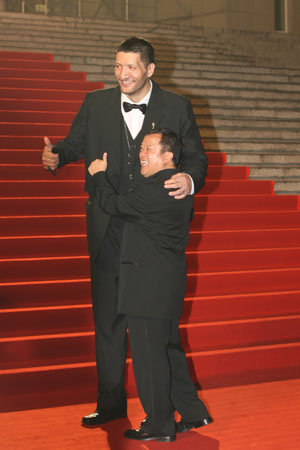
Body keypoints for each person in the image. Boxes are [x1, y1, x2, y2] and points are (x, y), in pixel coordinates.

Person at [41, 36, 208, 427]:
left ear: (149, 69)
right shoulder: (95, 103)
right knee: (108, 320)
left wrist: (188, 177)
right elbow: (74, 144)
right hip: (107, 228)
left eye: (131, 67)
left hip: (151, 233)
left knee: (159, 329)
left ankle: (180, 408)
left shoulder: (177, 106)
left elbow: (198, 157)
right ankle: (111, 403)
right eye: (117, 66)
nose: (122, 74)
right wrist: (57, 156)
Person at [88, 129, 212, 442]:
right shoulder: (181, 189)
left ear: (168, 155)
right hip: (168, 282)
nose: (141, 153)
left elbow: (112, 204)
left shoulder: (154, 189)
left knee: (148, 356)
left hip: (144, 286)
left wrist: (99, 175)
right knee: (168, 349)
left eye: (149, 148)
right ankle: (194, 411)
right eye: (141, 147)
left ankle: (159, 425)